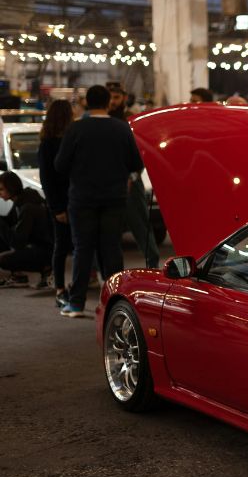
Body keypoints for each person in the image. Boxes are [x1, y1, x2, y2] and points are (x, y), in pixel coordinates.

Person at [55, 85, 144, 317]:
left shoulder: (75, 129)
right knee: (111, 248)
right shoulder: (122, 128)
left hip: (82, 198)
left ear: (87, 103)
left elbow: (60, 165)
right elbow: (136, 163)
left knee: (83, 250)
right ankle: (114, 304)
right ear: (107, 103)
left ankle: (76, 304)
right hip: (114, 197)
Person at [37, 99, 74, 305]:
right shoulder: (48, 144)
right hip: (60, 202)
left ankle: (70, 288)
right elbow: (47, 179)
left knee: (76, 246)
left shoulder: (68, 140)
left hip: (74, 199)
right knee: (61, 247)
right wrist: (57, 208)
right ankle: (60, 290)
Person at [0, 172, 53, 288]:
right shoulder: (21, 201)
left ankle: (47, 269)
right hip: (36, 246)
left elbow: (17, 242)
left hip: (45, 250)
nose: (0, 193)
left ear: (11, 187)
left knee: (3, 260)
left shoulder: (27, 207)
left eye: (2, 189)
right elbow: (9, 222)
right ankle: (18, 276)